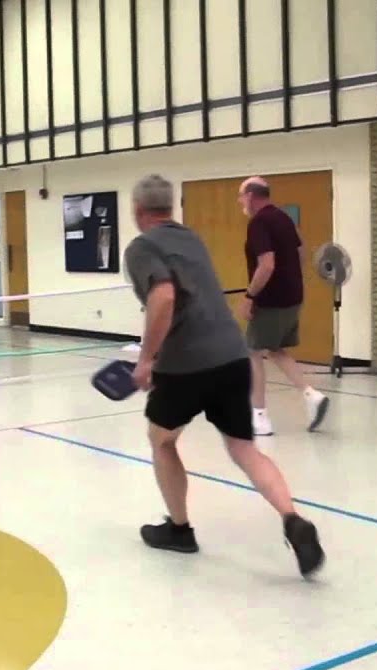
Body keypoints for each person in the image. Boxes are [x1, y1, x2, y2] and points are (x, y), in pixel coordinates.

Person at [123, 174, 325, 578]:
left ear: (138, 211)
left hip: (187, 363)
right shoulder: (192, 239)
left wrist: (146, 360)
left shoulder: (142, 247)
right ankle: (292, 519)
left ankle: (179, 530)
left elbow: (164, 297)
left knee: (161, 440)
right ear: (171, 208)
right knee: (243, 448)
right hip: (232, 355)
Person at [236, 176, 330, 436]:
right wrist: (288, 281)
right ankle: (312, 395)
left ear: (252, 196)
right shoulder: (284, 218)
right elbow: (301, 254)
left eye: (241, 196)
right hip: (293, 297)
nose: (240, 201)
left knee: (253, 352)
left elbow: (266, 264)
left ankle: (260, 417)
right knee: (275, 349)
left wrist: (250, 296)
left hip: (270, 300)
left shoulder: (259, 223)